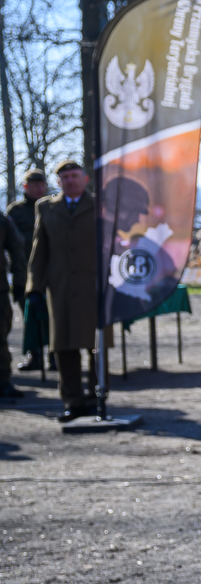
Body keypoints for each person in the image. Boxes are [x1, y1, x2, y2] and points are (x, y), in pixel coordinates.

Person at [26, 161, 100, 420]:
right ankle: (72, 401)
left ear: (85, 178)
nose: (70, 181)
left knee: (96, 347)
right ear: (58, 182)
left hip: (95, 289)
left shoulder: (100, 205)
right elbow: (39, 253)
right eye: (64, 177)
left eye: (74, 176)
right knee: (64, 348)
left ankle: (96, 399)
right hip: (60, 289)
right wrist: (34, 288)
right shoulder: (46, 208)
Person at [0, 169, 39, 399]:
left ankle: (3, 380)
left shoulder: (2, 221)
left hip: (0, 291)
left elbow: (17, 252)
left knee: (1, 337)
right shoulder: (13, 213)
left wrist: (19, 284)